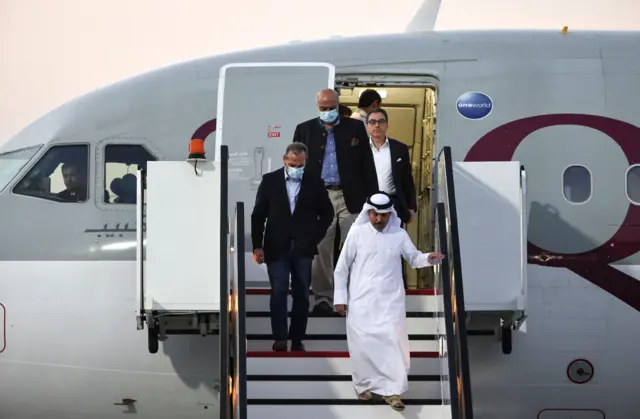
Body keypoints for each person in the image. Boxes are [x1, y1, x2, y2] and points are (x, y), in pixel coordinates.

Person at [333, 192, 444, 411]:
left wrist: (427, 258)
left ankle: (392, 392)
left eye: (383, 215)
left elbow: (413, 258)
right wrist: (340, 299)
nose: (379, 219)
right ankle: (364, 387)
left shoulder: (399, 234)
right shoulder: (356, 233)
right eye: (375, 215)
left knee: (394, 343)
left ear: (389, 214)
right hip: (360, 300)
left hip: (390, 301)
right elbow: (341, 268)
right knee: (363, 345)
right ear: (369, 213)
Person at [293, 88, 375, 315]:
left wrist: (374, 200)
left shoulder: (355, 127)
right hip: (319, 197)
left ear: (338, 105)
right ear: (317, 106)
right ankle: (323, 299)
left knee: (354, 248)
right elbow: (295, 165)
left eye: (332, 107)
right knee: (321, 250)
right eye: (323, 108)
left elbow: (367, 165)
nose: (328, 111)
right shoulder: (304, 130)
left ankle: (351, 298)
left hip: (351, 197)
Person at [251, 142, 334, 352]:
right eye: (292, 164)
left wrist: (315, 237)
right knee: (279, 290)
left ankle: (297, 339)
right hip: (276, 246)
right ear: (284, 160)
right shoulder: (270, 181)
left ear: (305, 161)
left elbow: (327, 214)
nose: (296, 168)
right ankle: (280, 338)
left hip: (303, 247)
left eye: (300, 164)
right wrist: (257, 245)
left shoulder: (315, 182)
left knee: (302, 294)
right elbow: (258, 215)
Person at [365, 108, 417, 224]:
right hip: (367, 206)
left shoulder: (400, 149)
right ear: (367, 126)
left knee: (394, 240)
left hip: (393, 205)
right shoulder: (360, 149)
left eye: (381, 121)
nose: (377, 125)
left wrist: (411, 207)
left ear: (387, 125)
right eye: (372, 122)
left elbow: (407, 180)